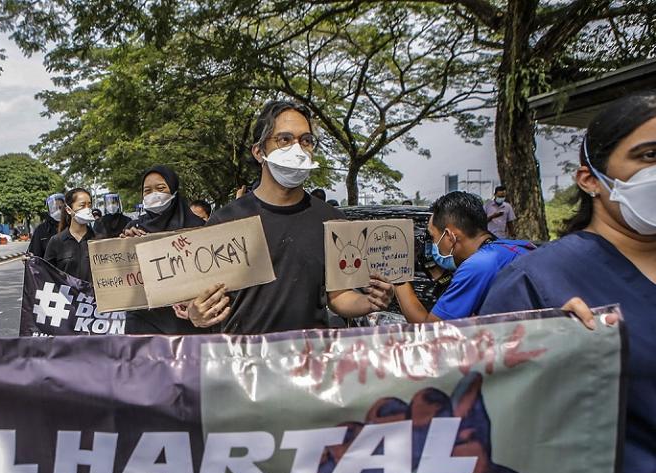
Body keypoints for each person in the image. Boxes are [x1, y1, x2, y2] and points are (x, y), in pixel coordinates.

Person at [479, 92, 656, 473]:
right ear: (590, 179)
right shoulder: (539, 284)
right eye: (648, 155)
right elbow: (483, 424)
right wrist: (546, 359)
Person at [187, 100, 393, 334]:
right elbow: (200, 300)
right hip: (241, 362)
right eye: (284, 139)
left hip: (306, 359)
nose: (298, 149)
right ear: (259, 151)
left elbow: (338, 296)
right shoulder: (225, 222)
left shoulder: (332, 222)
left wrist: (369, 302)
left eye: (305, 140)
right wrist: (196, 313)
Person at [394, 191, 533, 322]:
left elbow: (432, 332)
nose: (432, 244)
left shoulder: (477, 266)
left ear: (450, 236)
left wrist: (398, 277)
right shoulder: (516, 247)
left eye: (433, 237)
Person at [122, 165, 206, 334]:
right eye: (147, 191)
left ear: (174, 190)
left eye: (160, 188)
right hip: (143, 323)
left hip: (185, 323)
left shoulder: (197, 228)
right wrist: (124, 246)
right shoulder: (134, 228)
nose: (154, 194)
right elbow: (123, 275)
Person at [44, 187, 96, 281]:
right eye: (82, 205)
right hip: (67, 295)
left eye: (89, 205)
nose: (87, 209)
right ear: (68, 210)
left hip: (94, 295)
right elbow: (47, 274)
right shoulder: (56, 241)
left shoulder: (98, 239)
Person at [28, 193, 64, 257]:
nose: (58, 211)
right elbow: (34, 254)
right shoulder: (41, 230)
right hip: (47, 266)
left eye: (60, 207)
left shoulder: (72, 227)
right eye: (54, 208)